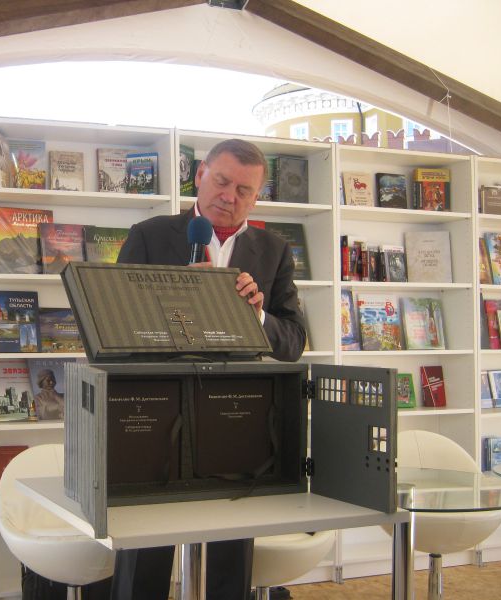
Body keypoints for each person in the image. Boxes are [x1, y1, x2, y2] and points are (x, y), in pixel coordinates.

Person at [111, 138, 306, 600]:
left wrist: (256, 315)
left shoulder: (274, 250)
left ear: (256, 197)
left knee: (230, 554)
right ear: (200, 175)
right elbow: (113, 325)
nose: (229, 196)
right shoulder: (148, 235)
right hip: (155, 412)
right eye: (221, 181)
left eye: (243, 190)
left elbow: (293, 343)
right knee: (145, 551)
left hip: (234, 415)